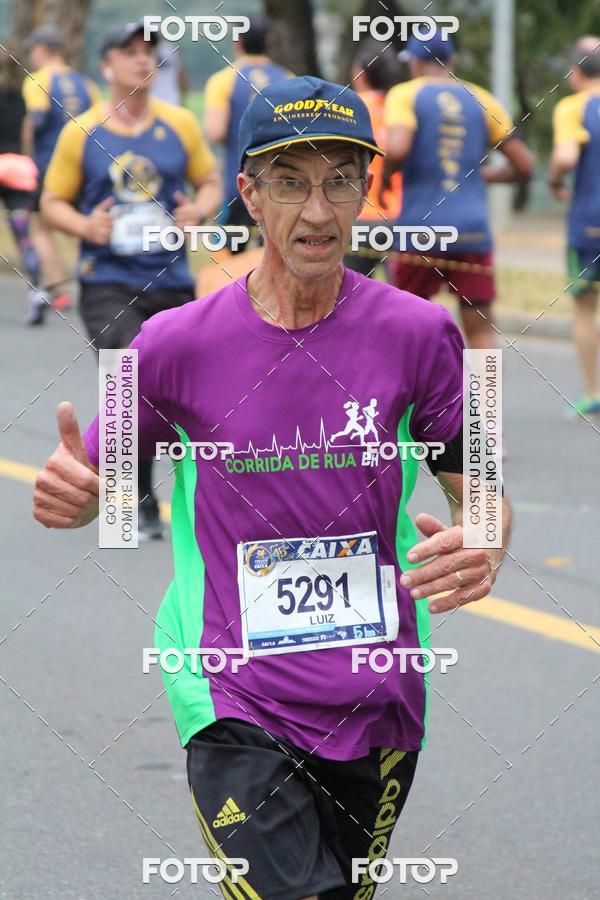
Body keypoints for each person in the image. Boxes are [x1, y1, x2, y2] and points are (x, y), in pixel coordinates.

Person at [33, 76, 510, 898]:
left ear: (369, 188)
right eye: (290, 182)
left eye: (337, 181)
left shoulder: (421, 332)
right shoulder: (167, 342)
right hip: (227, 689)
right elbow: (102, 487)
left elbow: (485, 486)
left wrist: (490, 537)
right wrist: (77, 500)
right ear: (249, 193)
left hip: (378, 691)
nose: (316, 213)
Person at [40, 21, 220, 540]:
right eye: (130, 53)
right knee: (127, 378)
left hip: (171, 280)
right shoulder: (84, 132)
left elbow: (210, 182)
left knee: (180, 392)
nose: (143, 61)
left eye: (149, 53)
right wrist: (84, 225)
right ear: (106, 65)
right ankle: (128, 504)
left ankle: (197, 505)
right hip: (108, 281)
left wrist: (199, 211)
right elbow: (51, 202)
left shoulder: (180, 124)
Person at [382, 33, 535, 349]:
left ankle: (413, 400)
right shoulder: (482, 99)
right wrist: (478, 178)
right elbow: (525, 165)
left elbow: (397, 149)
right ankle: (487, 401)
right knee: (481, 331)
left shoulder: (405, 94)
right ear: (452, 61)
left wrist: (385, 179)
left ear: (413, 62)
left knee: (406, 329)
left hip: (420, 230)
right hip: (472, 231)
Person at [22, 23, 99, 318]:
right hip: (85, 163)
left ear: (41, 51)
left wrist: (28, 159)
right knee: (80, 223)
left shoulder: (38, 80)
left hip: (49, 164)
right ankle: (93, 275)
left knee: (40, 225)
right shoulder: (85, 82)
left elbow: (35, 121)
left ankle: (58, 288)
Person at [203, 17, 291, 250]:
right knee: (276, 255)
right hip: (281, 186)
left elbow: (215, 130)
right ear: (270, 41)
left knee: (227, 260)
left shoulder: (223, 80)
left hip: (239, 184)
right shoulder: (289, 80)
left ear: (237, 42)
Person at [549, 36, 600, 416]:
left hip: (588, 224)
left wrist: (554, 179)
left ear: (576, 72)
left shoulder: (574, 107)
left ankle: (594, 391)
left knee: (585, 308)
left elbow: (566, 155)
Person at [343, 46, 402, 277]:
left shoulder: (348, 109)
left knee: (349, 299)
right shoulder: (400, 110)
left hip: (359, 218)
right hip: (397, 218)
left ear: (360, 74)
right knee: (401, 300)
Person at [0, 47, 46, 324]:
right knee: (23, 234)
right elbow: (27, 135)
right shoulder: (20, 97)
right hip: (17, 167)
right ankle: (37, 290)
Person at [151, 38, 189, 106]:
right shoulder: (170, 50)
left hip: (171, 101)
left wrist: (183, 100)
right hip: (157, 101)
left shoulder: (170, 50)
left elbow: (182, 77)